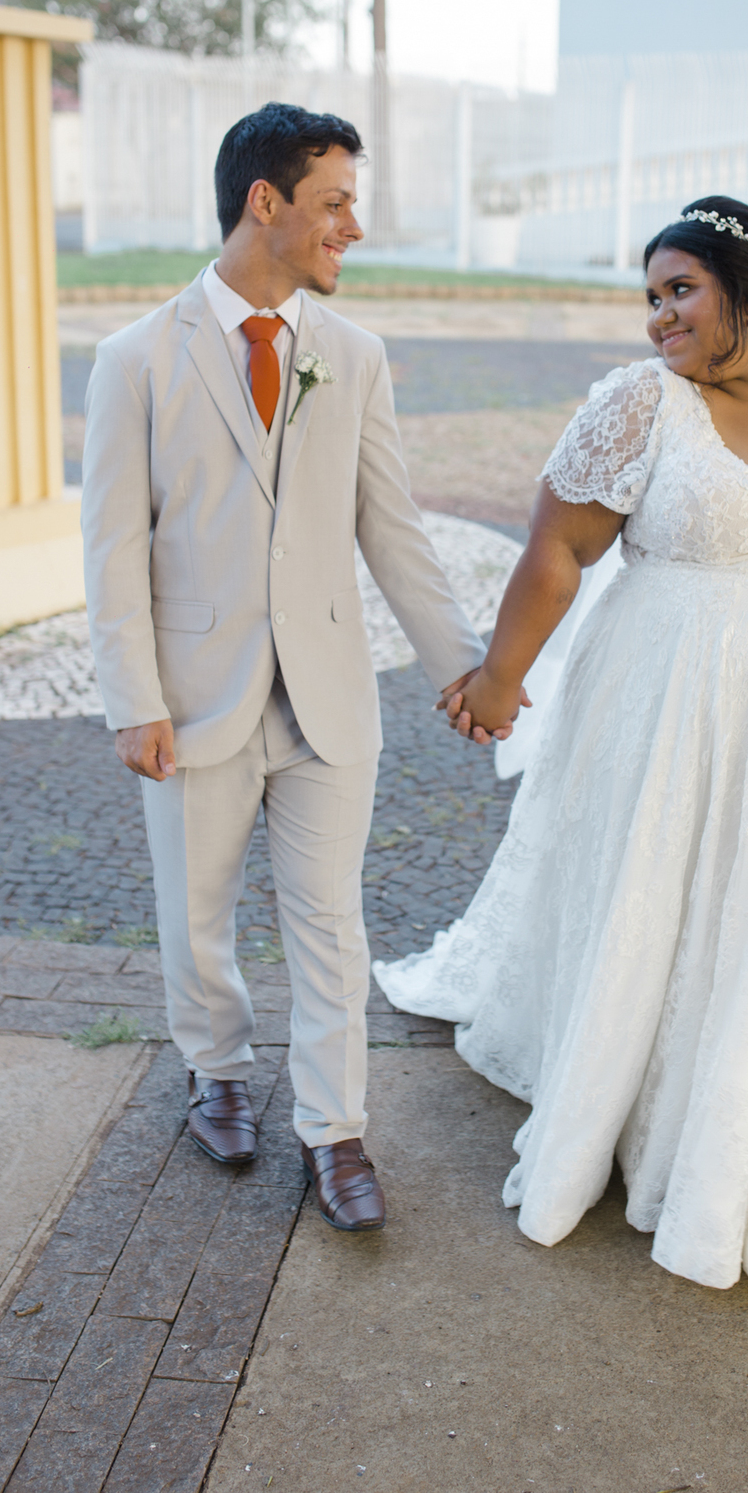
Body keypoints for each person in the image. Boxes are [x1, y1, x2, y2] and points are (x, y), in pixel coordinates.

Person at [375, 197, 748, 1291]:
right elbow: (559, 548)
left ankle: (742, 1125)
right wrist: (501, 677)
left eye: (679, 290)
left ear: (746, 290)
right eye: (650, 297)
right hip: (666, 699)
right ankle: (623, 1108)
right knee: (663, 885)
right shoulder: (638, 404)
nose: (658, 316)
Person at [81, 103, 497, 1232]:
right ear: (266, 202)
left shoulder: (352, 358)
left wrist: (466, 669)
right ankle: (215, 1068)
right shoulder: (134, 361)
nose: (351, 226)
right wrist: (133, 702)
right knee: (198, 913)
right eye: (335, 202)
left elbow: (392, 525)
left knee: (330, 920)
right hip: (191, 699)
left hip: (326, 700)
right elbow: (113, 549)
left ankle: (336, 1130)